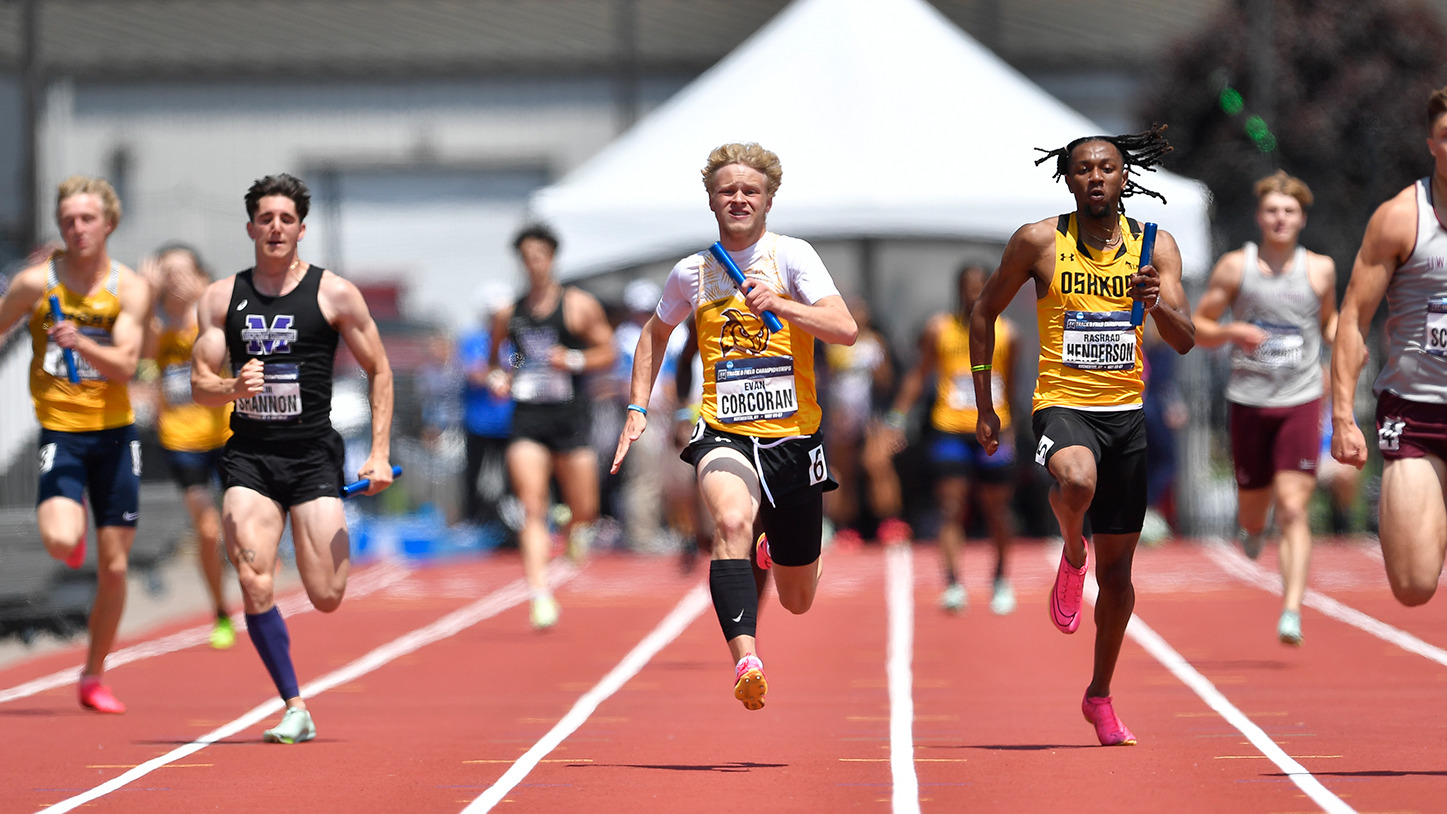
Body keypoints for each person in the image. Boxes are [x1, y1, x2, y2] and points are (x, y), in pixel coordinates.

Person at [611, 142, 858, 711]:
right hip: (725, 429)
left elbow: (843, 329)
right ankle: (747, 658)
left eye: (750, 190)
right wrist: (637, 408)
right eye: (728, 191)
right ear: (712, 201)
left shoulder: (792, 257)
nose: (739, 199)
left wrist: (785, 305)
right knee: (728, 520)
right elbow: (655, 334)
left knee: (798, 599)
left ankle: (773, 551)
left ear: (768, 199)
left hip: (795, 440)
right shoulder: (692, 273)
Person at [972, 126, 1194, 745]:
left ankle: (1099, 695)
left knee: (1119, 579)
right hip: (1061, 407)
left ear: (1125, 177)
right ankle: (1072, 550)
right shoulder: (1040, 241)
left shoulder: (1156, 246)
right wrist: (987, 407)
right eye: (1083, 170)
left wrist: (1159, 305)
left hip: (1127, 418)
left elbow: (1185, 337)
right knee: (1076, 478)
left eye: (1106, 168)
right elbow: (983, 312)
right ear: (1068, 179)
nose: (1095, 177)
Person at [191, 173, 395, 744]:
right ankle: (294, 704)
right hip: (250, 457)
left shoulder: (335, 294)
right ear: (251, 226)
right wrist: (233, 386)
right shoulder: (219, 298)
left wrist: (378, 453)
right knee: (254, 576)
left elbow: (380, 369)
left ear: (302, 229)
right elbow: (198, 384)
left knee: (327, 595)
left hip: (311, 457)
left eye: (286, 219)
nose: (275, 228)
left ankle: (295, 660)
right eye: (265, 218)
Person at [0, 176, 150, 713]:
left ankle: (93, 674)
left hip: (113, 436)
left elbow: (128, 366)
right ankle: (74, 527)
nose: (77, 228)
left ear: (108, 223)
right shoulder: (36, 284)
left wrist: (80, 341)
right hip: (61, 431)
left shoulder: (129, 288)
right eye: (68, 220)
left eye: (87, 219)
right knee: (62, 542)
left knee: (114, 569)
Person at [1192, 171, 1336, 646]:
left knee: (1294, 508)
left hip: (1299, 398)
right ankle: (1252, 530)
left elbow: (1329, 321)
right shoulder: (1237, 267)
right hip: (1249, 402)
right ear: (1260, 217)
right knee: (1255, 514)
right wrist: (1236, 332)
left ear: (1301, 219)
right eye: (1273, 210)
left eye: (1289, 211)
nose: (1280, 218)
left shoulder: (1320, 269)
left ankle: (1291, 609)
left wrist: (1344, 342)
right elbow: (1200, 324)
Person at [1332, 85, 1447, 612]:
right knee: (1414, 582)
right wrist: (1342, 417)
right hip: (1417, 413)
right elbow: (1353, 318)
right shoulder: (1402, 217)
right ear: (1431, 143)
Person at [486, 224, 614, 630]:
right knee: (531, 506)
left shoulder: (577, 305)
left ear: (552, 258)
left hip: (570, 417)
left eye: (539, 255)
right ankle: (539, 595)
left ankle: (570, 523)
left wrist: (573, 360)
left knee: (585, 512)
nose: (533, 263)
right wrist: (501, 380)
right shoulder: (511, 314)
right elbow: (502, 361)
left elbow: (608, 351)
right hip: (528, 417)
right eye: (526, 256)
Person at [883, 262, 1020, 615]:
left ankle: (1001, 577)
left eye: (979, 286)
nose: (973, 293)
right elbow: (918, 374)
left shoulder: (1007, 334)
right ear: (957, 290)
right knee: (950, 508)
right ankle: (954, 582)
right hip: (950, 429)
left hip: (993, 431)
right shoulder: (939, 329)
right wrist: (897, 416)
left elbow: (1014, 387)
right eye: (967, 287)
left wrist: (1014, 432)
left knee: (997, 510)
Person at [140, 244, 237, 650]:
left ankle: (252, 582)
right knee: (208, 528)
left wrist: (205, 296)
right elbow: (142, 359)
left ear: (201, 275)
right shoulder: (157, 328)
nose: (175, 280)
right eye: (168, 273)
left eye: (183, 272)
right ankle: (220, 610)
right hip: (181, 440)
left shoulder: (215, 316)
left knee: (239, 524)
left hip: (229, 433)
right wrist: (146, 297)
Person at [821, 296, 902, 548]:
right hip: (842, 416)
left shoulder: (875, 344)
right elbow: (827, 382)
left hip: (870, 416)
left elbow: (887, 382)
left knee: (876, 465)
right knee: (842, 472)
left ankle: (890, 522)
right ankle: (845, 526)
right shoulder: (832, 344)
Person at [458, 283, 515, 538]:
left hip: (508, 422)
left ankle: (512, 523)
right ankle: (472, 520)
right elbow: (473, 372)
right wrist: (497, 376)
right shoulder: (473, 339)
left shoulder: (513, 341)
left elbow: (520, 369)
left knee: (512, 477)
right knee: (475, 475)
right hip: (479, 421)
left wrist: (499, 375)